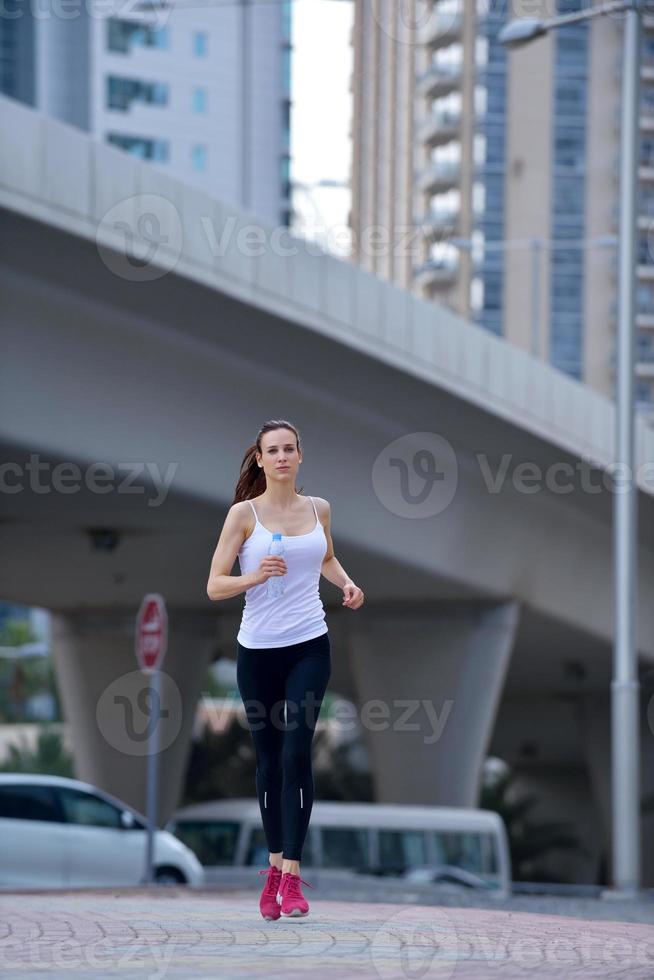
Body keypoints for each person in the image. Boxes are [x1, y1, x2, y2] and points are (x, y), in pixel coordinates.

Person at [206, 419, 364, 919]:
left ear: (300, 457)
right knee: (269, 763)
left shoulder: (319, 509)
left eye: (288, 449)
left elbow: (327, 556)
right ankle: (272, 868)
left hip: (309, 646)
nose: (281, 457)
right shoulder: (243, 514)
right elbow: (214, 585)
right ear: (259, 459)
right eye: (272, 450)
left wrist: (346, 583)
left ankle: (291, 876)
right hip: (257, 652)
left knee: (298, 752)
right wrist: (255, 575)